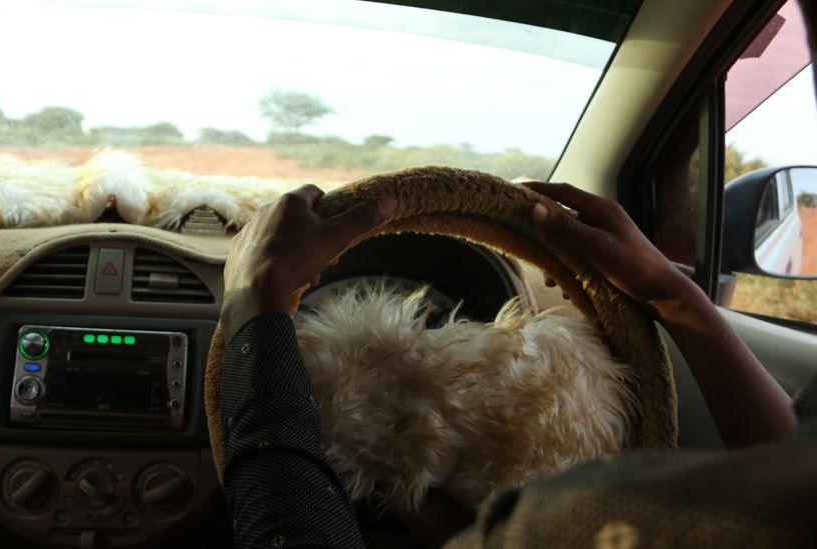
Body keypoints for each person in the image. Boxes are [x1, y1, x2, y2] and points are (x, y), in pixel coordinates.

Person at [218, 3, 817, 545]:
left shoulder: (559, 526)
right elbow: (786, 460)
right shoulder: (772, 501)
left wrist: (255, 307)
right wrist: (671, 292)